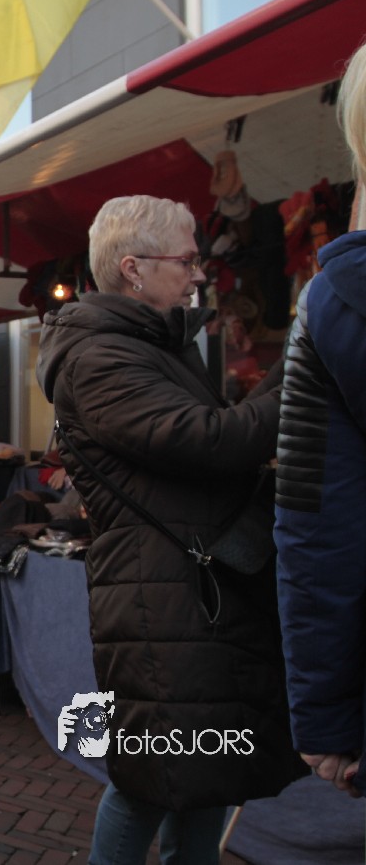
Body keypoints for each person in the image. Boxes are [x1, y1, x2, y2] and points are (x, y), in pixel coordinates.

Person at [37, 194, 302, 864]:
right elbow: (210, 440)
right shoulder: (100, 358)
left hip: (188, 593)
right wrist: (304, 366)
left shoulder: (148, 346)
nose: (198, 274)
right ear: (133, 268)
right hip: (162, 600)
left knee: (205, 767)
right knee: (152, 777)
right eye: (186, 260)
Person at [275, 39, 366, 800]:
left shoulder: (334, 303)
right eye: (184, 259)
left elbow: (317, 524)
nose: (194, 271)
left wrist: (327, 716)